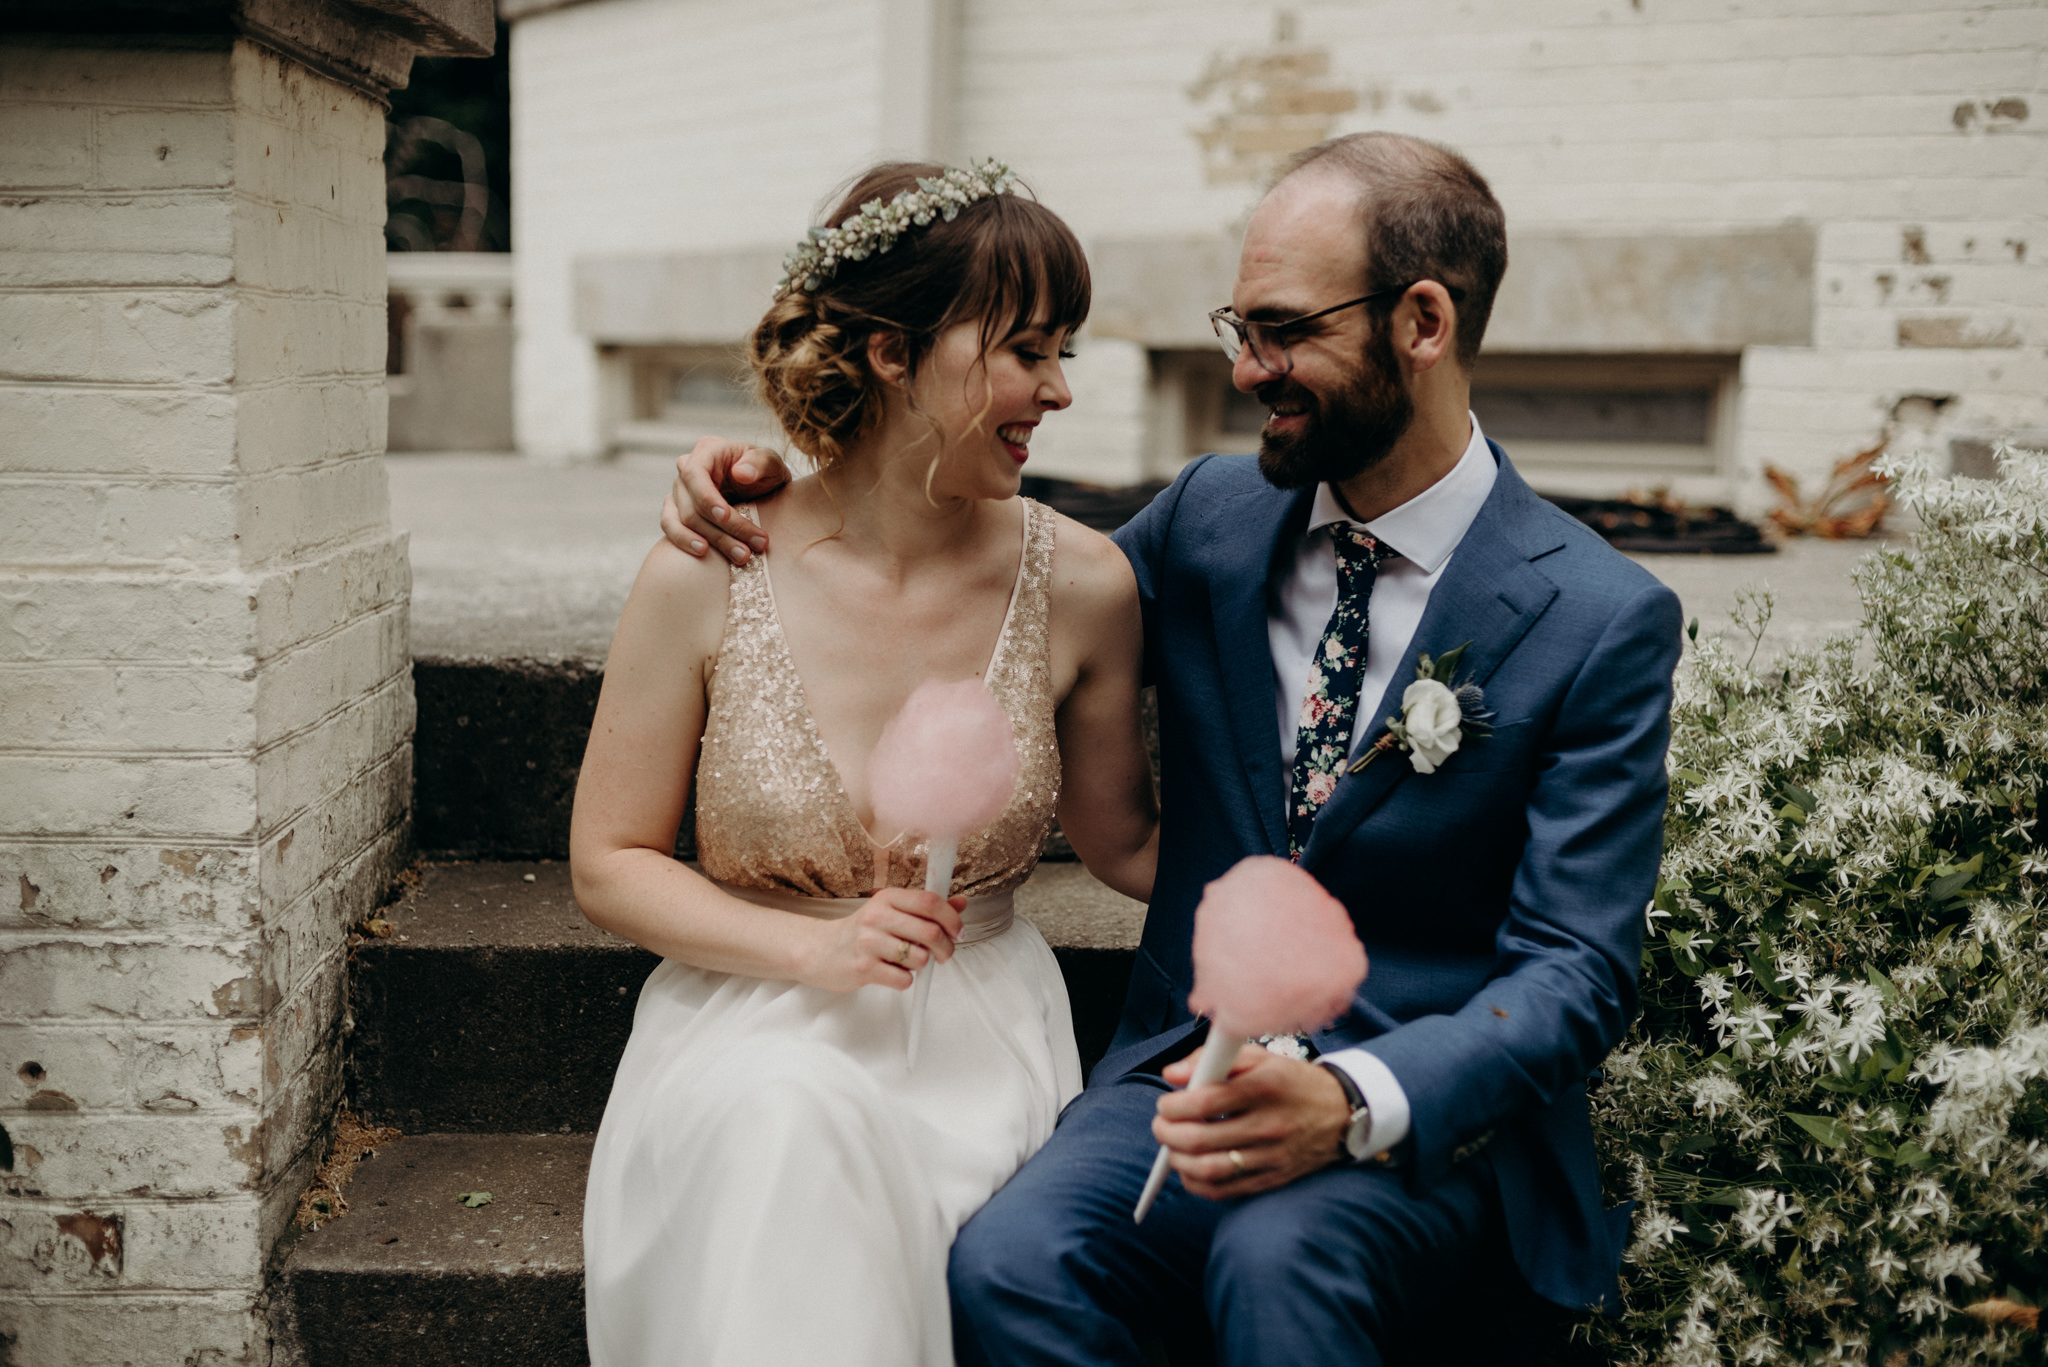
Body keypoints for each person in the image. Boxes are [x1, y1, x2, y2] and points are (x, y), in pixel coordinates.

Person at [662, 132, 1684, 1366]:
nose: (1247, 368)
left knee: (1281, 1259)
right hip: (1174, 1076)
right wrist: (784, 480)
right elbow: (986, 568)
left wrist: (1356, 1099)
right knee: (1013, 1263)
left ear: (1421, 321)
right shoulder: (1208, 519)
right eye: (1237, 327)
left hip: (1427, 1120)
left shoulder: (1594, 616)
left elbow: (1575, 970)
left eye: (1283, 330)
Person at [572, 160, 1159, 1367]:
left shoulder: (1086, 585)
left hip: (972, 1027)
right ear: (894, 354)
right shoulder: (709, 565)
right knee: (787, 1113)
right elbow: (609, 861)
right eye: (1025, 350)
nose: (1055, 390)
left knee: (811, 1132)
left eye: (1065, 354)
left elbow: (1129, 846)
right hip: (746, 1011)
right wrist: (816, 948)